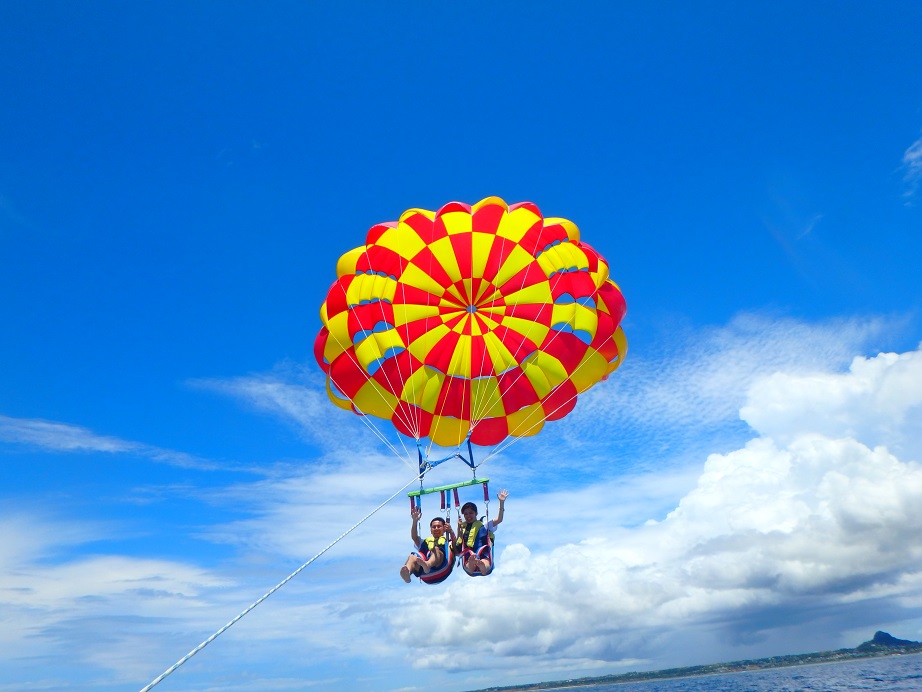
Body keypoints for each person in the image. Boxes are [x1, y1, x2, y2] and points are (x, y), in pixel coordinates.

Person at [456, 488, 508, 576]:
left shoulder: (485, 525)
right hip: (469, 555)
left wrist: (501, 503)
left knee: (485, 561)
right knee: (468, 562)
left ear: (476, 513)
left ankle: (483, 566)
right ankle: (472, 565)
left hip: (483, 552)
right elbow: (459, 541)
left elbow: (499, 519)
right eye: (465, 514)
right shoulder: (463, 528)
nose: (468, 516)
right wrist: (458, 527)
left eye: (471, 513)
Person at [400, 506, 455, 583]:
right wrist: (415, 521)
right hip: (423, 572)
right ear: (431, 530)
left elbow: (457, 547)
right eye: (434, 527)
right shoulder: (424, 542)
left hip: (440, 568)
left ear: (444, 529)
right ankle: (407, 573)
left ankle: (427, 565)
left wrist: (451, 532)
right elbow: (414, 537)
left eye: (439, 526)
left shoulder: (448, 542)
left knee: (436, 549)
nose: (436, 528)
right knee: (412, 556)